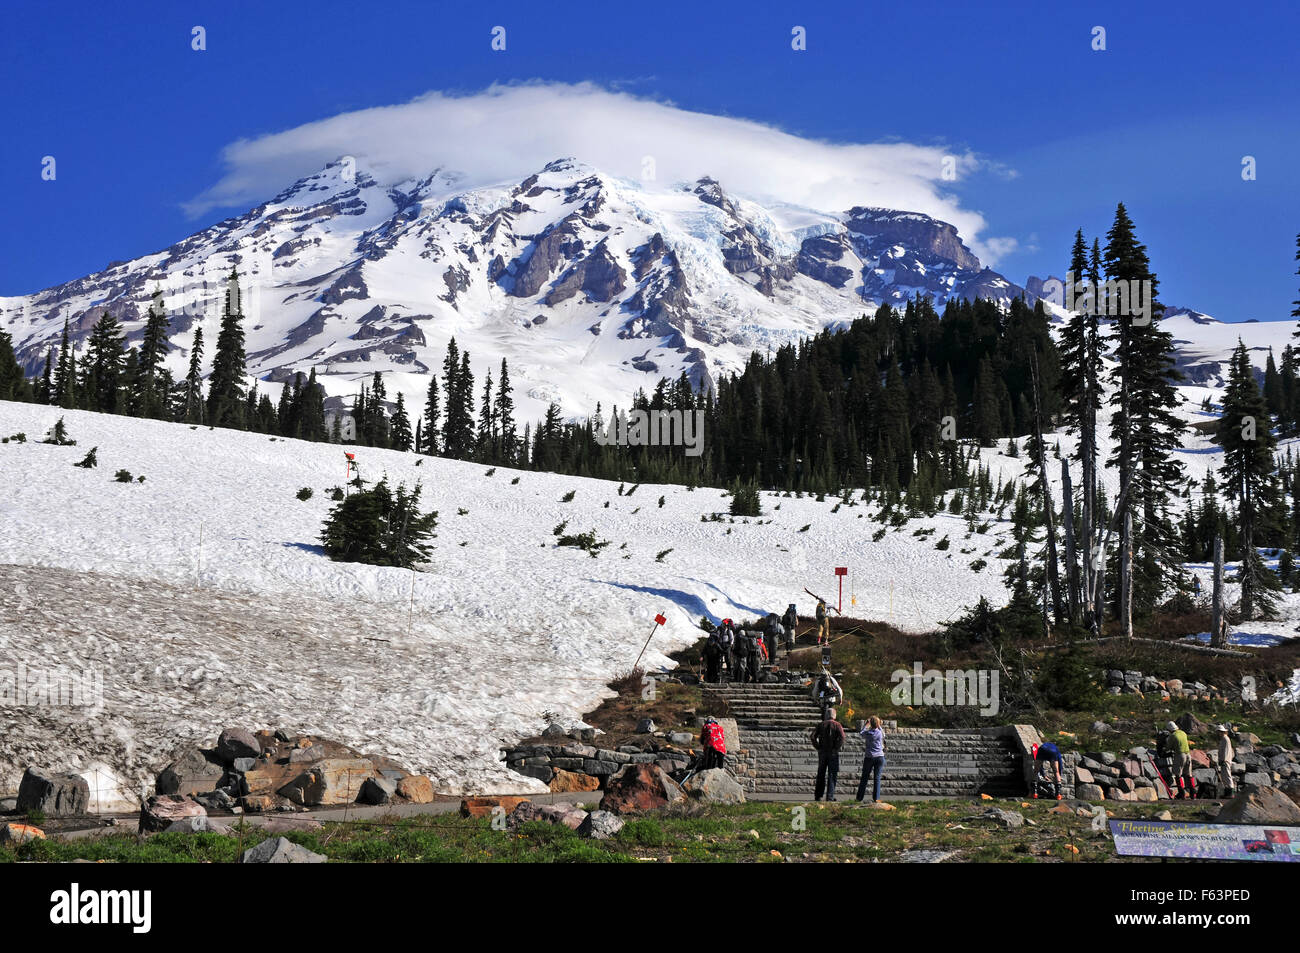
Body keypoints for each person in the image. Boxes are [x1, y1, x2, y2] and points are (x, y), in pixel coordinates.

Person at [810, 707, 845, 801]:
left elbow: (813, 736)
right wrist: (836, 748)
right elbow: (842, 737)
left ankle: (818, 795)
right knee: (832, 774)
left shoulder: (821, 724)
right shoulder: (837, 725)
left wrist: (818, 747)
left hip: (822, 752)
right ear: (835, 715)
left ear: (826, 715)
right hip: (833, 753)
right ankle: (830, 796)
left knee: (821, 774)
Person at [855, 715, 887, 802]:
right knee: (877, 778)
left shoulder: (868, 733)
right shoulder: (880, 733)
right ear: (878, 724)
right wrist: (878, 724)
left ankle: (859, 798)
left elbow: (861, 733)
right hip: (880, 756)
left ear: (871, 724)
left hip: (869, 757)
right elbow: (883, 732)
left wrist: (866, 725)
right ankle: (876, 798)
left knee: (864, 777)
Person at [1164, 720, 1195, 799]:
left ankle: (1181, 793)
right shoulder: (1183, 733)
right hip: (1188, 754)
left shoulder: (1173, 736)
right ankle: (1193, 794)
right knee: (1189, 774)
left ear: (1169, 730)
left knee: (1178, 774)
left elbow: (1168, 747)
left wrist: (1164, 748)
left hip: (1180, 755)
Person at [1215, 724, 1236, 798]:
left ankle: (1231, 792)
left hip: (1225, 760)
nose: (1217, 733)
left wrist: (1224, 760)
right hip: (1224, 760)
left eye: (1218, 732)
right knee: (1224, 776)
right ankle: (1227, 792)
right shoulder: (1224, 739)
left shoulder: (1225, 739)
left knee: (1227, 776)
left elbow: (1226, 751)